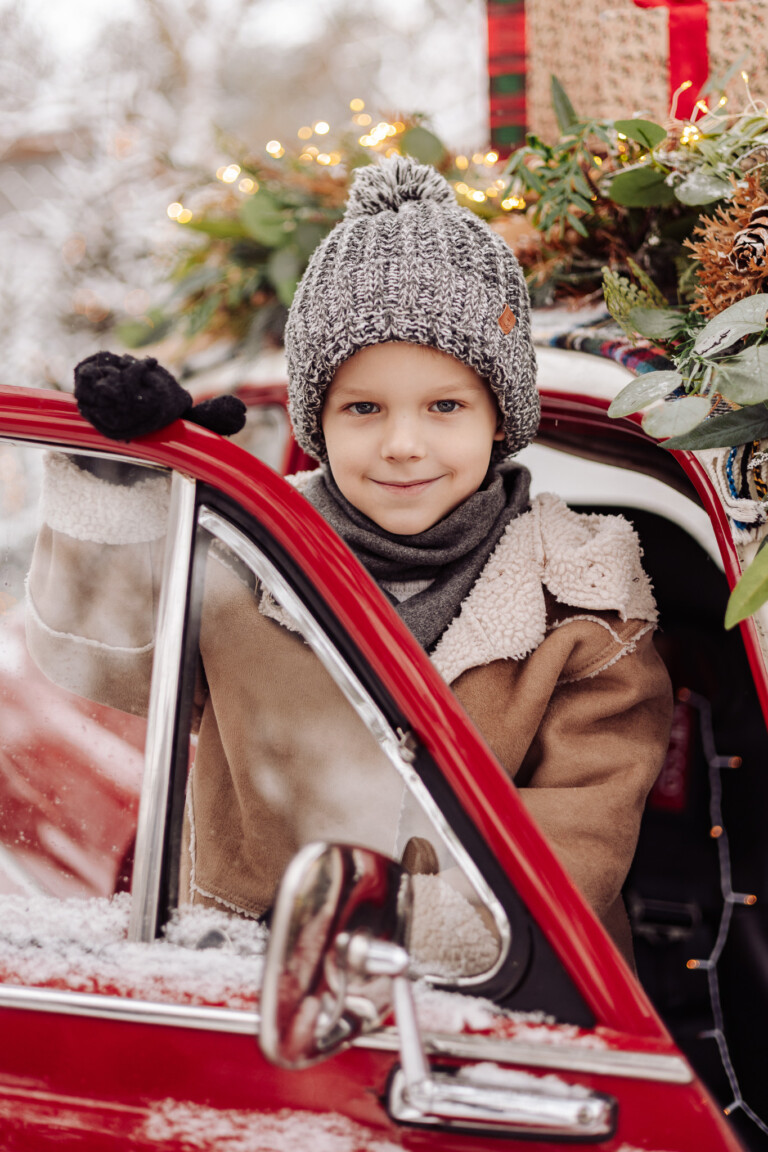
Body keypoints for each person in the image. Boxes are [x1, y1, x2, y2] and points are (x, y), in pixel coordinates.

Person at [26, 156, 672, 968]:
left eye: (445, 406)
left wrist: (385, 930)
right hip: (253, 976)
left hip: (504, 994)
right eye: (364, 408)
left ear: (499, 416)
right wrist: (121, 483)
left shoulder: (581, 601)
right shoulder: (250, 551)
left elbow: (580, 836)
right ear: (319, 421)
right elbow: (100, 658)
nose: (404, 444)